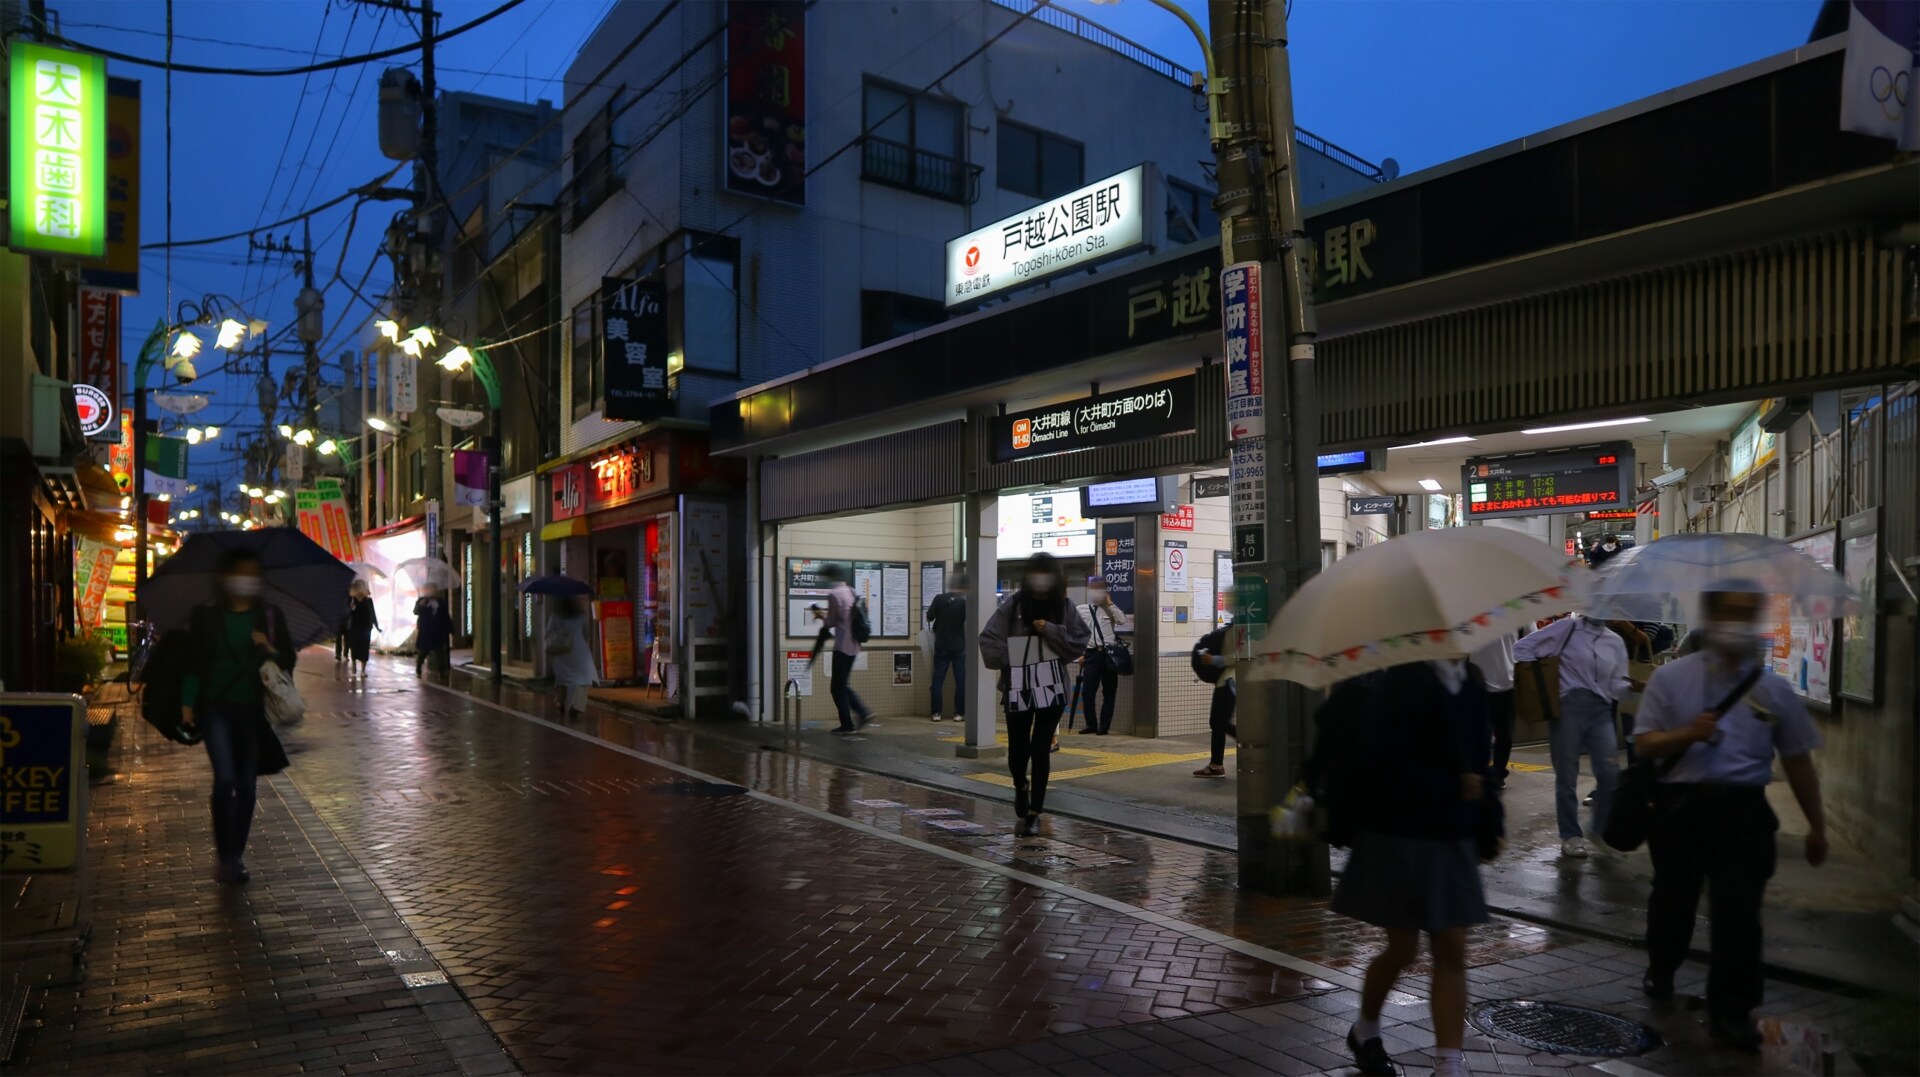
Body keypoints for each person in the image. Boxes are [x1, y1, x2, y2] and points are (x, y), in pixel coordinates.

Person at [1632, 588, 1826, 1051]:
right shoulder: (1672, 680)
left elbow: (1798, 758)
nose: (1737, 623)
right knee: (1673, 900)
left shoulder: (1773, 688)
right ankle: (1661, 969)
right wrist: (1687, 733)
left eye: (1746, 615)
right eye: (1728, 613)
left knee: (1738, 916)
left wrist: (1817, 824)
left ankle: (1732, 1012)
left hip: (1744, 813)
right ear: (1711, 618)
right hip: (1682, 809)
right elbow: (1645, 744)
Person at [1328, 659, 1501, 1077]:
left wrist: (1489, 821)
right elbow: (1379, 762)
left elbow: (1483, 760)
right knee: (1402, 950)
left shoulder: (1471, 682)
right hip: (1400, 833)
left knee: (1452, 948)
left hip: (1452, 833)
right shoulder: (1398, 681)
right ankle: (1366, 1028)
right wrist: (1453, 785)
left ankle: (1449, 1065)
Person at [179, 548, 296, 886]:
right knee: (226, 778)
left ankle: (235, 857)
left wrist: (269, 648)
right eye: (240, 572)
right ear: (226, 577)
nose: (246, 579)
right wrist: (187, 705)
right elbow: (193, 663)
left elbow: (288, 659)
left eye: (252, 572)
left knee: (246, 785)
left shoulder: (269, 616)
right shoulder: (205, 616)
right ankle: (224, 855)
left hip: (253, 711)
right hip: (215, 706)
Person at [980, 552, 1089, 836]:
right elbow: (988, 638)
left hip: (1052, 688)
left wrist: (1050, 630)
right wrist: (1014, 656)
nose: (1041, 579)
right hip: (1018, 686)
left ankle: (1034, 813)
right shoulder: (1014, 604)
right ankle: (1020, 785)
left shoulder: (1064, 606)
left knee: (1041, 749)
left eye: (1046, 573)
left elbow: (1079, 641)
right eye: (1036, 573)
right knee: (1018, 749)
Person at [1515, 612, 1640, 858]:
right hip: (1568, 709)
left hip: (1601, 711)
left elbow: (1616, 686)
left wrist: (1634, 689)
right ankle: (1570, 835)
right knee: (1567, 777)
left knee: (1610, 775)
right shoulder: (1566, 628)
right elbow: (1522, 647)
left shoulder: (1614, 641)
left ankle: (1598, 828)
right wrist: (1545, 677)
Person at [822, 564, 877, 735]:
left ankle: (849, 723)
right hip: (854, 644)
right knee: (842, 685)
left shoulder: (833, 594)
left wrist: (820, 616)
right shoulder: (851, 591)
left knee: (837, 687)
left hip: (842, 646)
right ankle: (861, 714)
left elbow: (830, 622)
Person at [1073, 576, 1128, 736]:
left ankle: (1104, 727)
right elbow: (1077, 633)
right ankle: (1091, 724)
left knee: (1109, 692)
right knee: (1087, 692)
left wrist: (1110, 603)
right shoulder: (1081, 609)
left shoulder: (1110, 609)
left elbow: (1122, 620)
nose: (1096, 592)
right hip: (1091, 655)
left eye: (1099, 588)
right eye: (1093, 588)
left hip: (1109, 655)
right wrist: (1081, 654)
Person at [1469, 630, 1519, 788]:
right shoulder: (1471, 612)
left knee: (1504, 734)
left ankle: (1497, 772)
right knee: (1481, 733)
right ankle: (1481, 771)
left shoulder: (1518, 612)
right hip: (1479, 681)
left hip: (1506, 683)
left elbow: (1532, 637)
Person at [545, 594, 599, 720]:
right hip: (579, 651)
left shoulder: (556, 616)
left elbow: (549, 632)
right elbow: (586, 633)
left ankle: (560, 701)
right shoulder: (580, 616)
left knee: (562, 677)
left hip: (562, 651)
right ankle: (577, 706)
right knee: (582, 679)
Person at [1191, 624, 1235, 778]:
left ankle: (1251, 743)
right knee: (1217, 722)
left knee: (1219, 722)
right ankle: (1216, 764)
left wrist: (1216, 660)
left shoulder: (1245, 627)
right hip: (1226, 680)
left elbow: (1245, 654)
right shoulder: (1233, 626)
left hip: (1232, 680)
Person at [925, 573, 967, 722]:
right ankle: (959, 713)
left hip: (941, 645)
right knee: (961, 680)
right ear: (962, 587)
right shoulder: (964, 603)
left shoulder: (939, 599)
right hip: (959, 646)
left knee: (937, 679)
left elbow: (929, 616)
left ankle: (936, 713)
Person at [413, 584, 454, 677]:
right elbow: (415, 611)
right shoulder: (421, 600)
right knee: (423, 651)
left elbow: (446, 616)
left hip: (438, 630)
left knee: (439, 651)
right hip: (425, 631)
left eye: (433, 589)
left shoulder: (441, 601)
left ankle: (441, 671)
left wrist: (450, 628)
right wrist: (421, 605)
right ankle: (419, 667)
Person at [344, 579, 379, 680]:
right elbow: (346, 614)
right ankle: (354, 663)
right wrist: (350, 608)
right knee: (354, 647)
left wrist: (376, 626)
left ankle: (363, 670)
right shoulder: (351, 600)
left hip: (366, 628)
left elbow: (372, 614)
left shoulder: (368, 600)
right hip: (354, 627)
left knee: (364, 648)